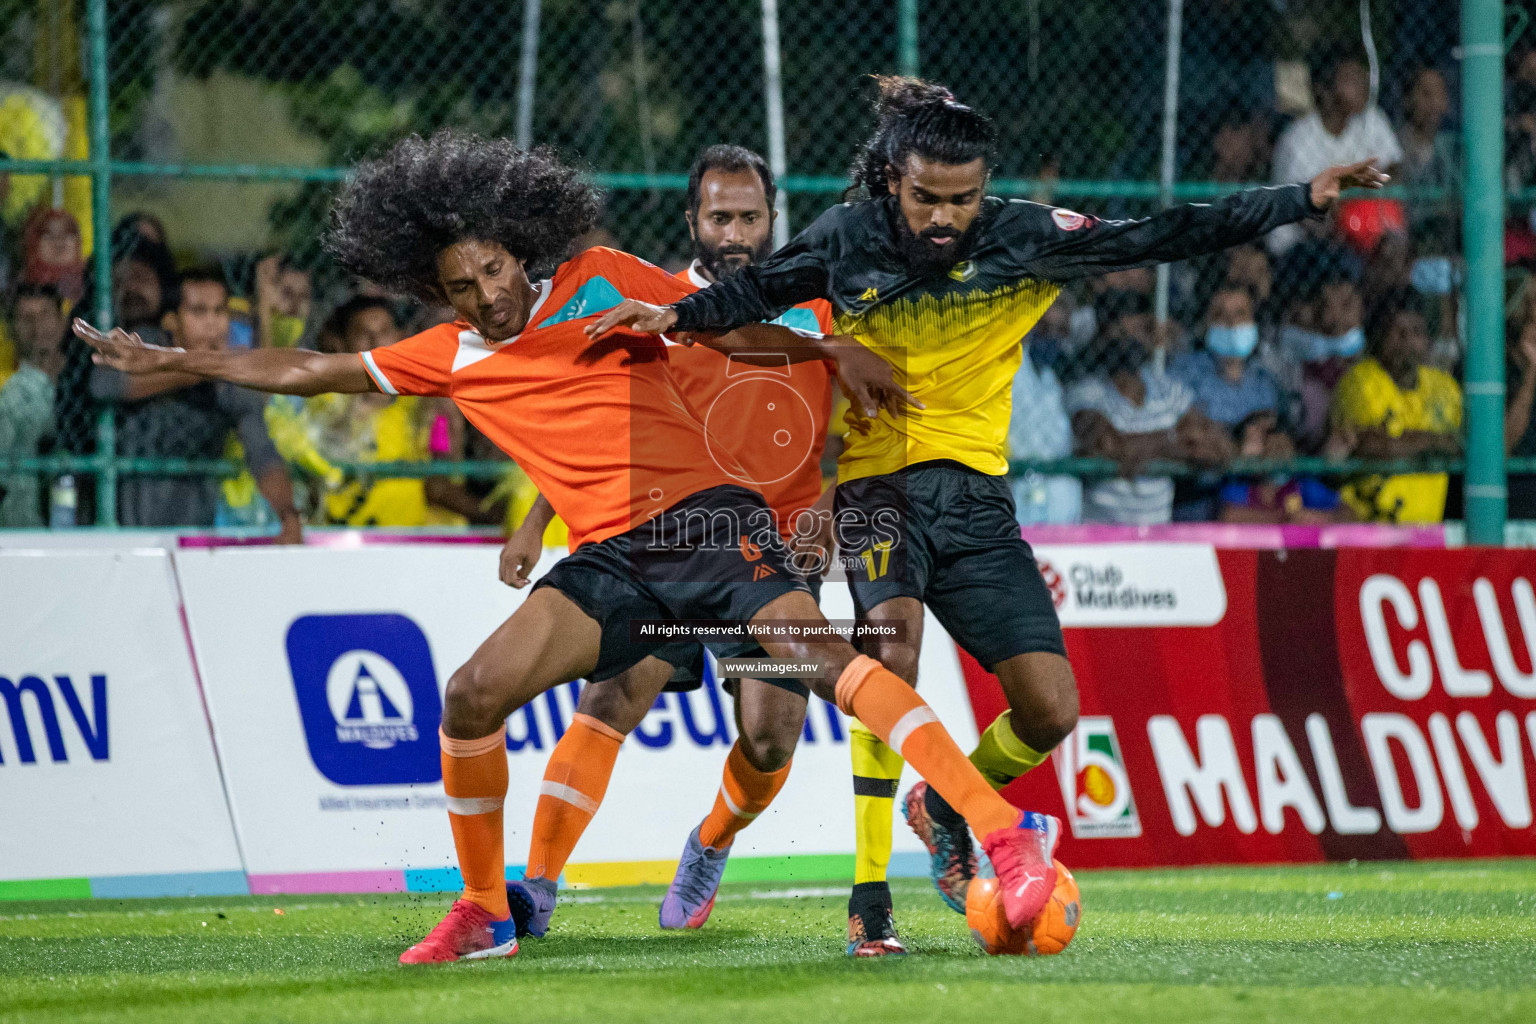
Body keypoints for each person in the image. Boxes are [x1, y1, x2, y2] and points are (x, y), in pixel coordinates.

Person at [74, 129, 1066, 964]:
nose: (487, 298)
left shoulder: (597, 284)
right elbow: (311, 365)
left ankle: (997, 827)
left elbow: (721, 330)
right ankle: (489, 908)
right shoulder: (452, 356)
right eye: (461, 285)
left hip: (709, 526)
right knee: (471, 693)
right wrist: (177, 356)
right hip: (610, 561)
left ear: (521, 251)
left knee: (822, 666)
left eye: (495, 271)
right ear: (440, 288)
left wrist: (828, 349)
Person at [585, 76, 1386, 949]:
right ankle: (869, 898)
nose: (942, 217)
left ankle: (944, 800)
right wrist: (675, 313)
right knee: (889, 651)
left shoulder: (1026, 235)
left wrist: (1299, 198)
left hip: (975, 498)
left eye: (962, 200)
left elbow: (1163, 234)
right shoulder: (847, 239)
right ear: (893, 177)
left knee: (1051, 712)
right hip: (877, 484)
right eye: (926, 196)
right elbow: (752, 295)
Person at [490, 144, 841, 945]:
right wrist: (536, 520)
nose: (736, 232)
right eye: (720, 216)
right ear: (693, 220)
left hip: (774, 554)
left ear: (772, 219)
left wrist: (832, 500)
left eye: (750, 216)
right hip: (665, 540)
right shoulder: (651, 304)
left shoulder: (817, 307)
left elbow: (874, 420)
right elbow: (606, 423)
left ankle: (711, 841)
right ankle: (538, 886)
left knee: (767, 736)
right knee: (612, 697)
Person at [88, 265, 302, 540]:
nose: (212, 323)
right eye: (199, 312)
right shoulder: (146, 346)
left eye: (220, 311)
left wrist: (287, 513)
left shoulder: (228, 377)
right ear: (171, 321)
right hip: (120, 527)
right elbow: (102, 384)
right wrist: (193, 371)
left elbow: (262, 452)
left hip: (194, 531)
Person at [1067, 329, 1233, 524]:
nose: (1125, 337)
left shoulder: (1167, 389)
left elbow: (1217, 445)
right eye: (1119, 328)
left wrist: (1135, 446)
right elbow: (1107, 445)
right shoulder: (1086, 392)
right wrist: (1173, 441)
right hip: (1102, 529)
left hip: (1157, 529)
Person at [1332, 296, 1462, 523]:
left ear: (1428, 340)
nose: (1408, 340)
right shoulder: (1361, 381)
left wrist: (1407, 442)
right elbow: (1376, 446)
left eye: (1416, 331)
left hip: (1428, 526)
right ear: (1380, 338)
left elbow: (1463, 444)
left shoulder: (1444, 386)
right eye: (1397, 332)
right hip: (1366, 522)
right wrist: (1436, 442)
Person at [1270, 46, 1403, 254]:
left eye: (1363, 76)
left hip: (1359, 233)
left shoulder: (1372, 120)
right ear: (1325, 89)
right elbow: (1303, 213)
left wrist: (1352, 198)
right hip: (1301, 244)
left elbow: (1395, 169)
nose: (1363, 84)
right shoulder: (1299, 138)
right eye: (1351, 79)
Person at [0, 283, 65, 526]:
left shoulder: (76, 387)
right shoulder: (11, 398)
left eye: (45, 315)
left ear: (61, 321)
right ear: (12, 329)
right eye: (26, 318)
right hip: (22, 523)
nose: (37, 326)